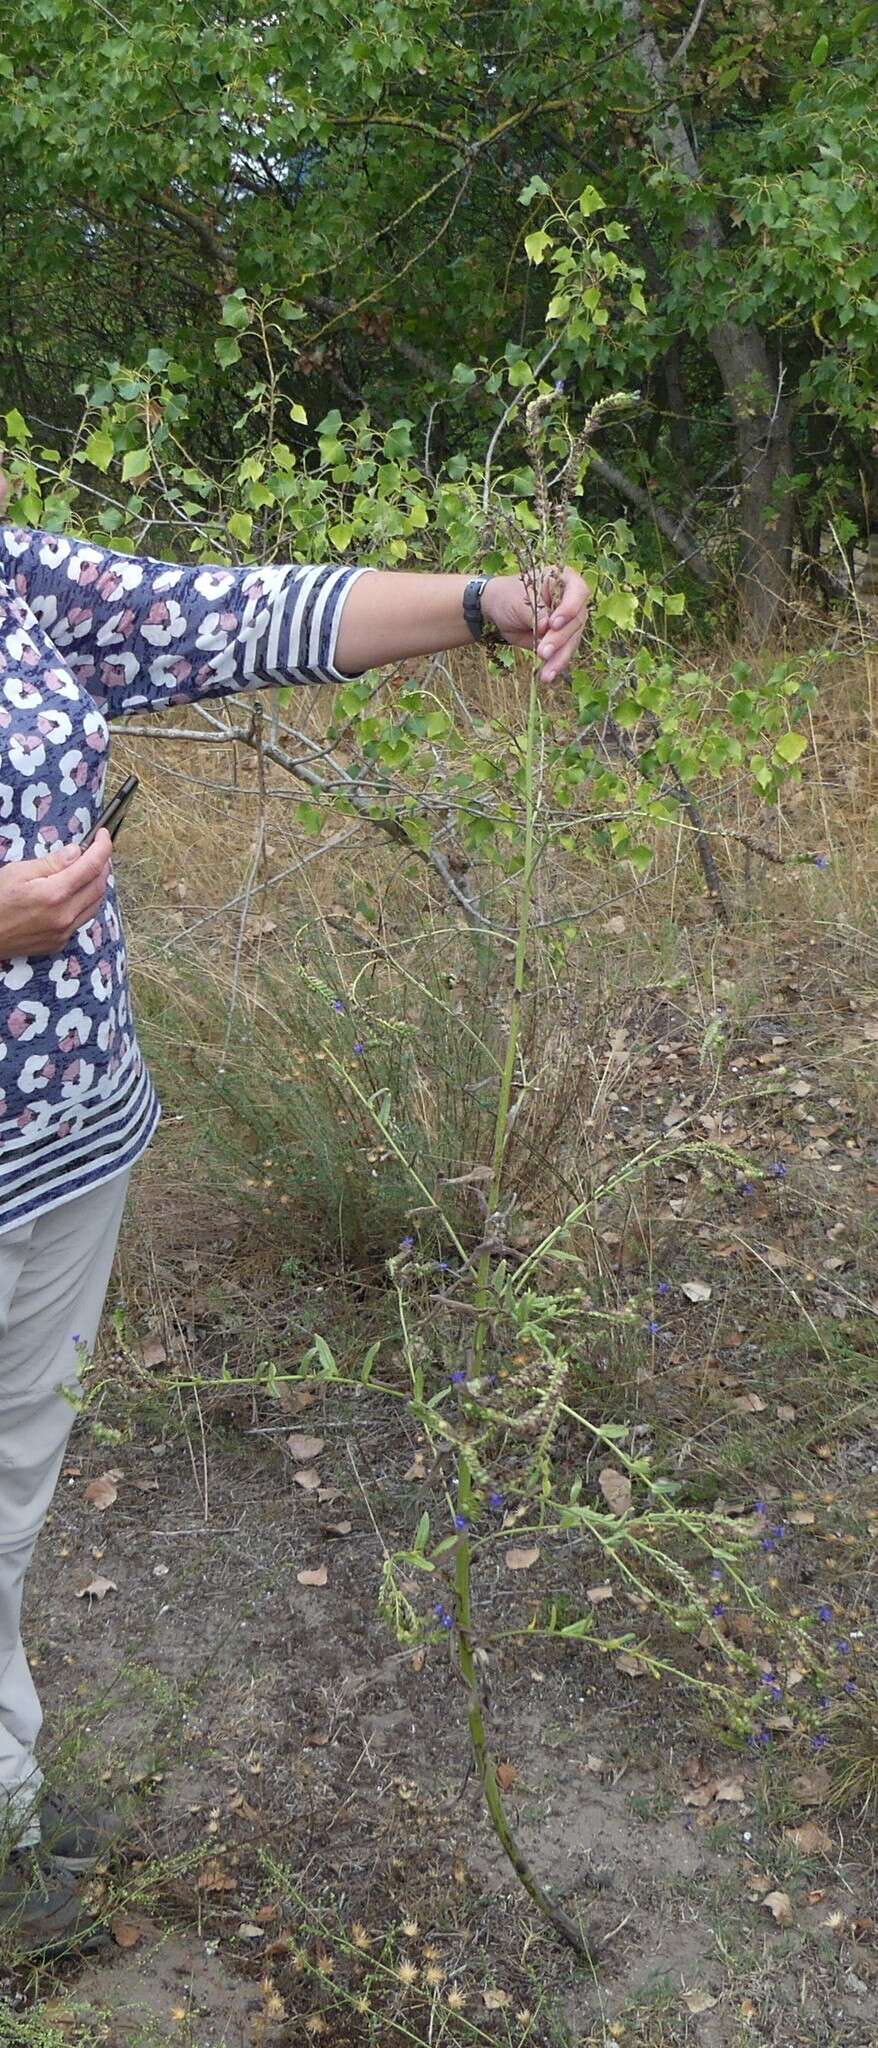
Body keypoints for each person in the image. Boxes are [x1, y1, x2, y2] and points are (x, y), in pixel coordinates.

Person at [0, 471, 589, 1950]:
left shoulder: (14, 579)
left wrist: (481, 606)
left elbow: (240, 610)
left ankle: (2, 1799)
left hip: (66, 1153)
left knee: (6, 1504)